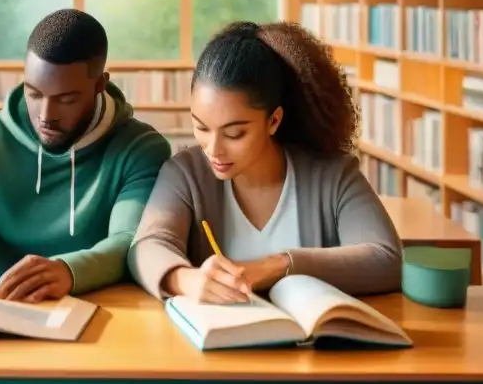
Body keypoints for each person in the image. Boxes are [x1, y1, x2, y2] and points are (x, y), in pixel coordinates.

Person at [0, 8, 171, 302]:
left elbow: (131, 243)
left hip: (94, 312)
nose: (45, 116)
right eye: (34, 93)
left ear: (99, 85)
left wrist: (68, 271)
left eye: (66, 99)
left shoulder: (141, 149)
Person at [128, 21, 402, 303]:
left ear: (273, 120)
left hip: (316, 344)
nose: (213, 149)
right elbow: (147, 246)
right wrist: (186, 279)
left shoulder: (332, 175)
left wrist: (275, 266)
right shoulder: (186, 173)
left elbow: (386, 258)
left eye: (235, 133)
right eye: (201, 127)